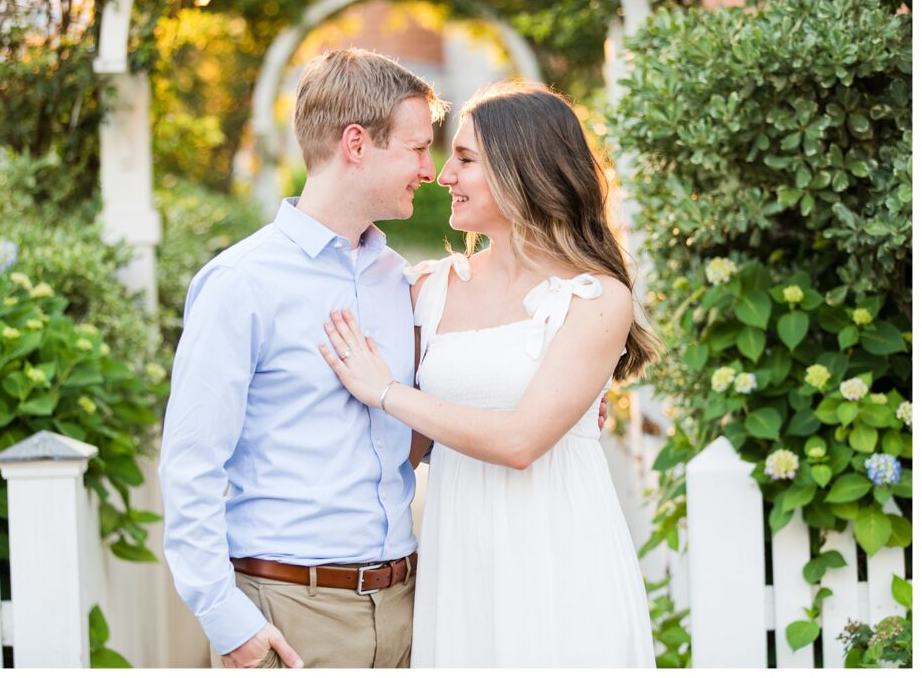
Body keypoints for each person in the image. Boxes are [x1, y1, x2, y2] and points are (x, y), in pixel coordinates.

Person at [319, 81, 660, 667]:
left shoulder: (596, 298)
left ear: (523, 169)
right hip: (461, 560)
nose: (443, 175)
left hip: (562, 557)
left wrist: (387, 392)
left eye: (466, 159)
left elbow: (523, 441)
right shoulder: (428, 289)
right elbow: (411, 448)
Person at [157, 48, 450, 669]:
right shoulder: (241, 282)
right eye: (417, 148)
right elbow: (191, 463)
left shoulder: (398, 280)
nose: (431, 168)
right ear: (356, 143)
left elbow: (420, 432)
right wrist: (225, 618)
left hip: (407, 608)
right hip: (288, 614)